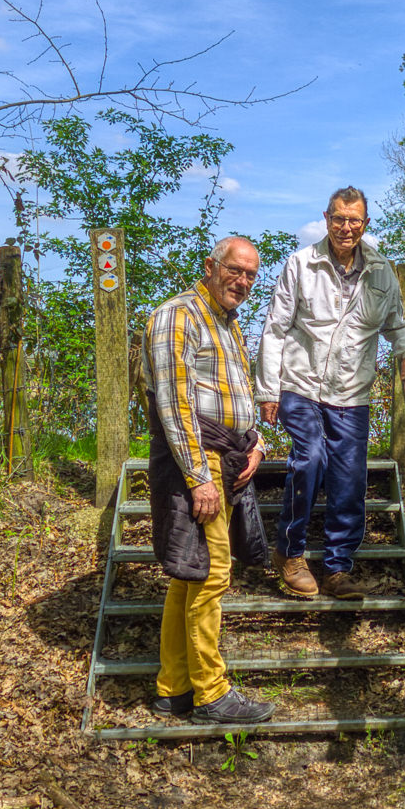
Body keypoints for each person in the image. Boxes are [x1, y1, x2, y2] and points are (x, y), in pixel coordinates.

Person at [256, 187, 405, 599]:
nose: (346, 227)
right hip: (301, 385)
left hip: (352, 393)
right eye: (338, 218)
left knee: (349, 479)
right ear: (326, 218)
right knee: (310, 458)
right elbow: (275, 328)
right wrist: (268, 390)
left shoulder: (381, 271)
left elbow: (397, 323)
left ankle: (337, 567)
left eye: (354, 220)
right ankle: (290, 553)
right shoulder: (301, 263)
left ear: (365, 224)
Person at [142, 236, 274, 725]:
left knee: (190, 575)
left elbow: (235, 394)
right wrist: (199, 477)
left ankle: (173, 687)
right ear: (210, 266)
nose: (242, 281)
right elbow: (174, 404)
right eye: (234, 270)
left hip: (228, 456)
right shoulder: (179, 315)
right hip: (200, 460)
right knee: (212, 574)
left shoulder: (226, 321)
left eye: (251, 275)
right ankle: (212, 694)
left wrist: (257, 443)